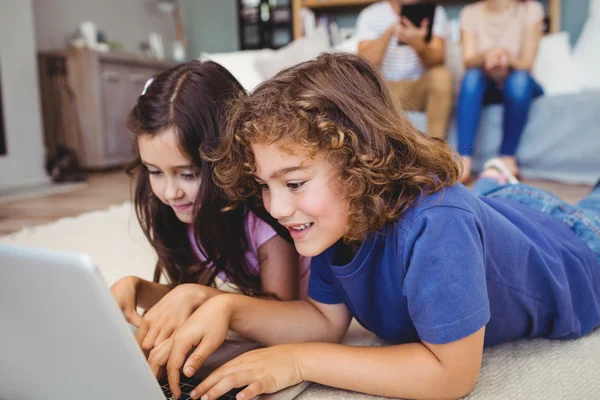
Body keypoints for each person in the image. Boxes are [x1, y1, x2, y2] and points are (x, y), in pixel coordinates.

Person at [146, 53, 600, 400]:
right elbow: (324, 321)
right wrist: (226, 309)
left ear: (360, 163)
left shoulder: (438, 224)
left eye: (295, 182)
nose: (278, 208)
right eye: (265, 185)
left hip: (578, 242)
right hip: (501, 212)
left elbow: (452, 374)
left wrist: (300, 362)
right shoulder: (330, 221)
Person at [110, 60, 309, 354]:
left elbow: (278, 312)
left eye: (188, 174)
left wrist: (198, 296)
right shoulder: (185, 212)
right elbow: (187, 296)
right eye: (154, 171)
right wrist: (139, 289)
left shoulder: (264, 216)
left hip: (304, 318)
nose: (170, 192)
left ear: (225, 159)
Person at [457, 0, 545, 183]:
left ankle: (507, 157)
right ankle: (463, 157)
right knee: (471, 77)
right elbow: (468, 61)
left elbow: (527, 63)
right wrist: (486, 56)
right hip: (486, 85)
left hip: (519, 83)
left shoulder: (531, 10)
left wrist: (506, 59)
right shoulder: (469, 13)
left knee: (519, 80)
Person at [357, 0, 453, 139]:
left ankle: (437, 149)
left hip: (418, 88)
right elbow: (363, 64)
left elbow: (438, 60)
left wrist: (418, 43)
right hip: (384, 89)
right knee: (361, 83)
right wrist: (391, 31)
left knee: (441, 75)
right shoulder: (370, 15)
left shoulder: (435, 12)